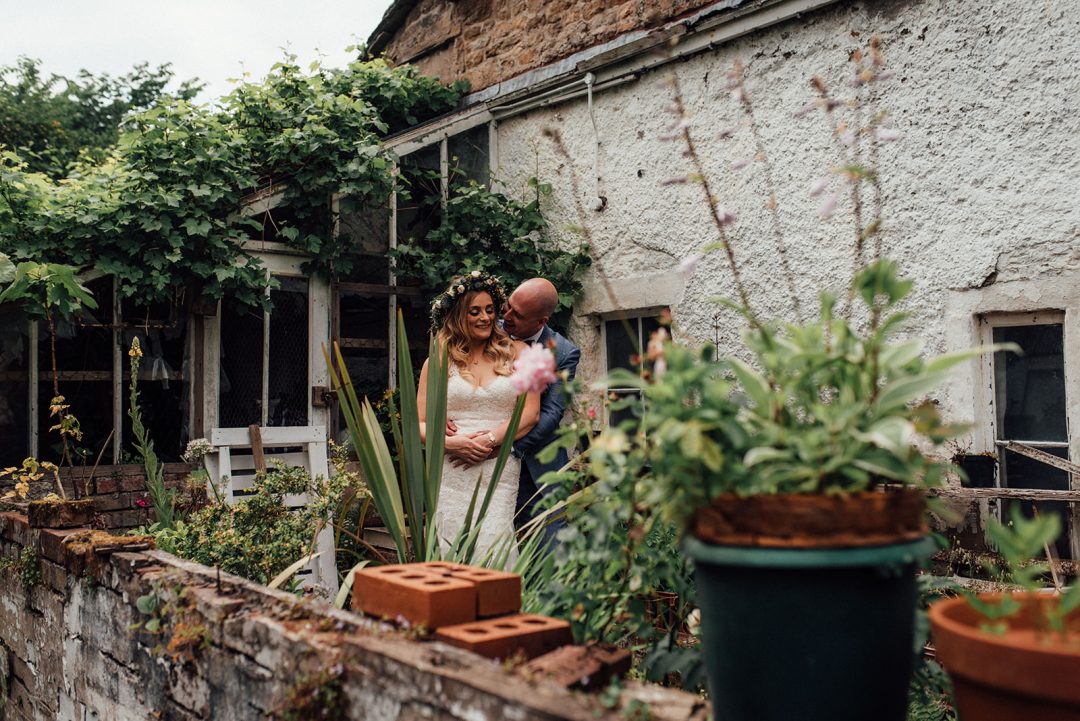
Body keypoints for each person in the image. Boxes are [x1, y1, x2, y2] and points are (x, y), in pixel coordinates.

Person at [418, 271, 541, 561]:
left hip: (497, 468)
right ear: (458, 316)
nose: (485, 318)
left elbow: (530, 413)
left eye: (490, 310)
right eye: (475, 312)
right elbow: (418, 424)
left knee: (493, 542)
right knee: (449, 545)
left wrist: (488, 440)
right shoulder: (437, 358)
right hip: (451, 470)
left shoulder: (521, 353)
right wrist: (452, 444)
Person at [501, 278, 581, 541]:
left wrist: (511, 449)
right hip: (486, 459)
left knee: (547, 547)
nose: (506, 316)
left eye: (518, 314)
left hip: (537, 462)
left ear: (541, 322)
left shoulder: (564, 353)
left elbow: (551, 413)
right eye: (508, 305)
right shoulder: (490, 331)